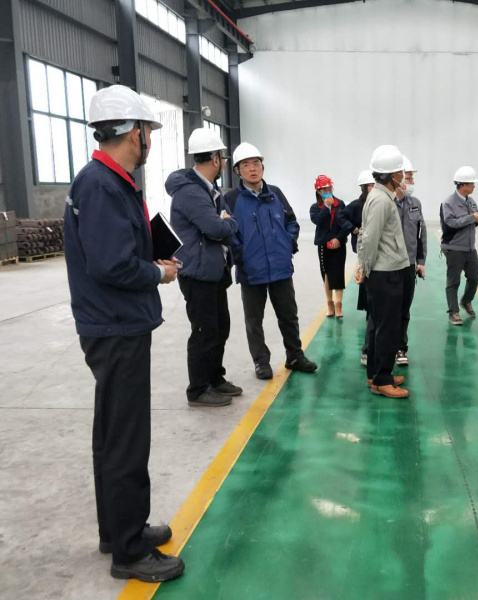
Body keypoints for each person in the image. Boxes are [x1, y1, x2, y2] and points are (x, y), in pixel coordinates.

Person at [63, 84, 184, 582]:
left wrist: (148, 260)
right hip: (115, 326)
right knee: (127, 439)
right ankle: (130, 552)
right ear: (135, 133)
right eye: (148, 131)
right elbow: (111, 264)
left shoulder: (110, 180)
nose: (149, 139)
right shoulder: (101, 185)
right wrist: (157, 273)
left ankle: (118, 530)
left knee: (113, 433)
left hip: (115, 322)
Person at [225, 142, 318, 379]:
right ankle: (261, 361)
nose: (252, 169)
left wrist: (287, 246)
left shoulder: (275, 193)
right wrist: (241, 257)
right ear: (238, 170)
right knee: (254, 320)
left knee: (289, 315)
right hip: (251, 270)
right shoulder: (232, 199)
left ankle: (295, 355)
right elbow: (228, 233)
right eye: (246, 165)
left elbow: (292, 222)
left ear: (262, 167)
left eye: (256, 163)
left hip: (280, 267)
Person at [167, 128, 241, 407]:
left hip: (213, 270)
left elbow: (220, 226)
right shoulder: (190, 192)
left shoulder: (208, 189)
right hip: (197, 274)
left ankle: (215, 378)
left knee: (220, 328)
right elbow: (216, 228)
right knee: (203, 331)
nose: (223, 162)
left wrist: (224, 223)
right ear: (215, 159)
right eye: (222, 157)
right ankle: (198, 389)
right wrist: (228, 223)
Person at [356, 145, 410, 399]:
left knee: (379, 325)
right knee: (387, 328)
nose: (403, 176)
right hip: (385, 273)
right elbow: (369, 238)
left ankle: (375, 375)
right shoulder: (380, 200)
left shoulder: (380, 196)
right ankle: (382, 380)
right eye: (400, 172)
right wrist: (365, 268)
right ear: (391, 175)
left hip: (384, 271)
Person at [393, 156, 427, 366]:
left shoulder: (415, 204)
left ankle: (400, 348)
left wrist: (420, 261)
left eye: (413, 178)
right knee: (385, 311)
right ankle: (374, 348)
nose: (412, 182)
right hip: (388, 267)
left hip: (408, 266)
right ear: (397, 178)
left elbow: (421, 234)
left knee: (404, 310)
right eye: (409, 177)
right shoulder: (385, 203)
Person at [440, 166, 478, 326]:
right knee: (453, 281)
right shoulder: (448, 203)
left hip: (470, 248)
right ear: (462, 184)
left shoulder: (471, 201)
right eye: (471, 183)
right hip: (454, 248)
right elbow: (450, 223)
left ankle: (465, 301)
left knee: (474, 278)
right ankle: (453, 312)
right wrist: (472, 218)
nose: (474, 186)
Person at [310, 175, 353, 318]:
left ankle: (339, 305)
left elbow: (345, 224)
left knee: (338, 273)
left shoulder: (340, 204)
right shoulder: (315, 207)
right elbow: (318, 221)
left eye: (329, 188)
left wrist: (339, 239)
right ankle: (330, 304)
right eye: (324, 189)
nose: (327, 191)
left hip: (339, 245)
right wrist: (326, 207)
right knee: (327, 275)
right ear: (318, 191)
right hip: (324, 245)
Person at [345, 170, 374, 366]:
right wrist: (354, 229)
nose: (373, 188)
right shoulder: (357, 205)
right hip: (363, 249)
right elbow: (342, 217)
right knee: (365, 279)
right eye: (370, 185)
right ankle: (368, 311)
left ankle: (370, 310)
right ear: (364, 188)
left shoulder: (379, 203)